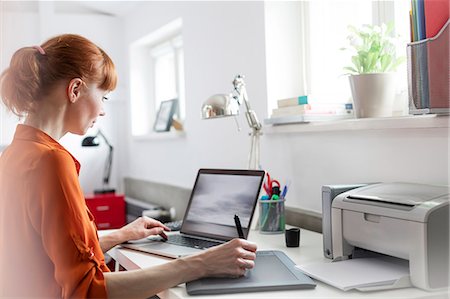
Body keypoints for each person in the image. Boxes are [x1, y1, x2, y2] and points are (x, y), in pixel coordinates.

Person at [0, 34, 257, 298]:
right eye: (104, 97)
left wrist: (120, 234)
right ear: (75, 89)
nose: (102, 111)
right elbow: (87, 290)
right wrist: (200, 263)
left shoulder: (14, 154)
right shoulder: (52, 161)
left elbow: (46, 253)